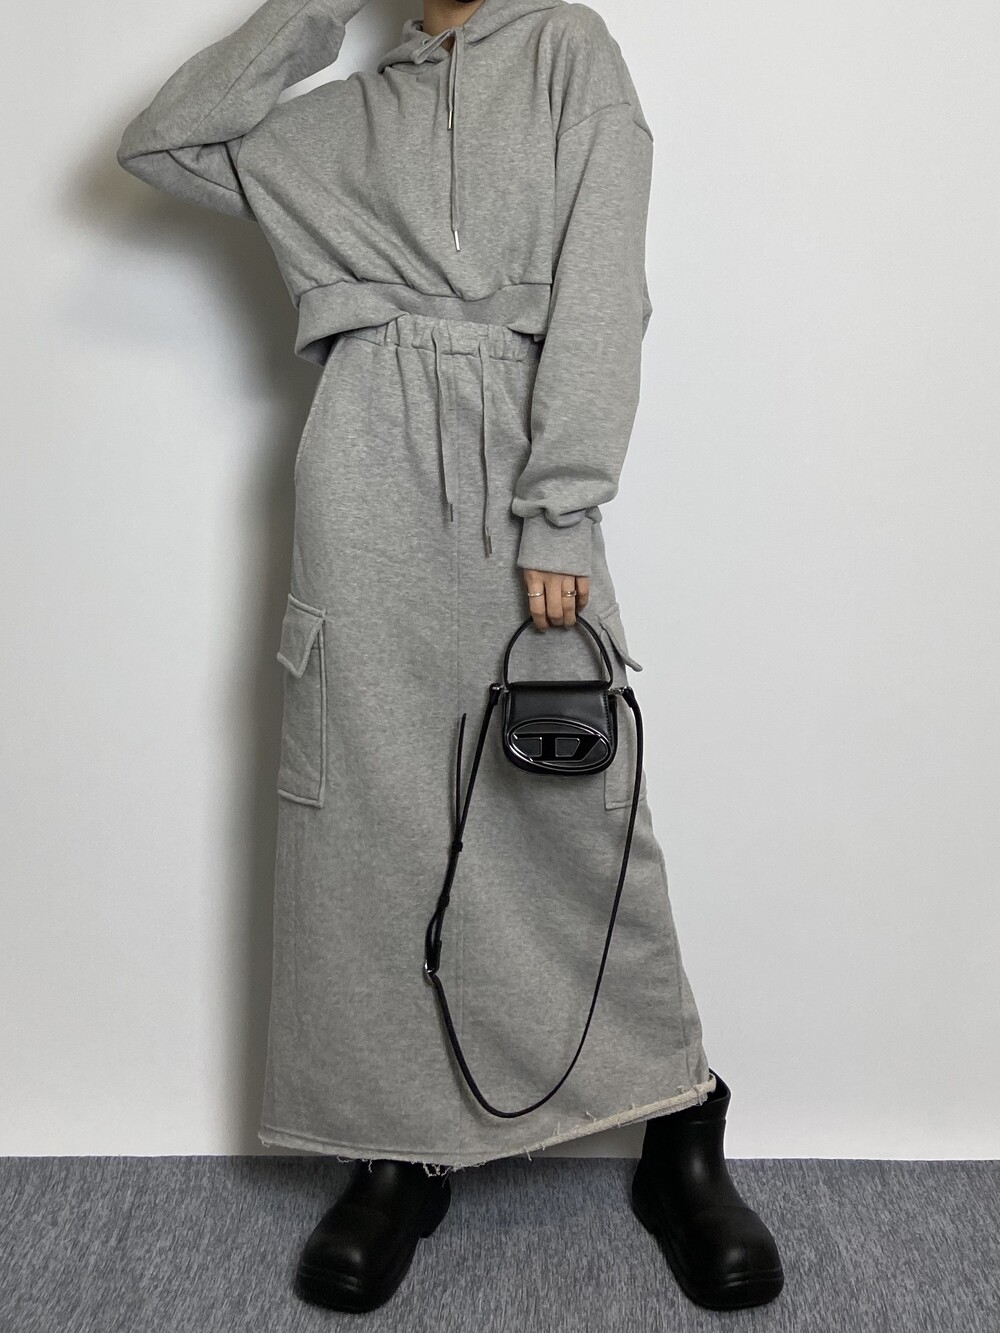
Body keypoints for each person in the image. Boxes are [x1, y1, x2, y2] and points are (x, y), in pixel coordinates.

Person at [117, 0, 784, 1314]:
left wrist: (562, 506)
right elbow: (164, 142)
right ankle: (398, 1144)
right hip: (360, 461)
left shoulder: (565, 49)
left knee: (571, 800)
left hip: (513, 457)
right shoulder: (343, 120)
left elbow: (606, 281)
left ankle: (678, 1120)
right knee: (369, 815)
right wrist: (315, 12)